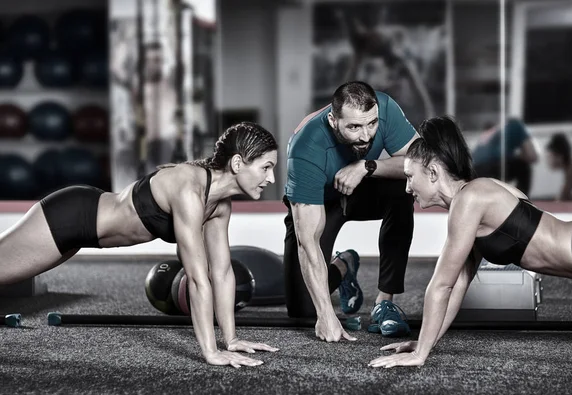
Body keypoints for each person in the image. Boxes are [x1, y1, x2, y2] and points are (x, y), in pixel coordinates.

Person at [0, 122, 279, 368]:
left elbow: (222, 272)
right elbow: (197, 278)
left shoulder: (219, 207)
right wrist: (211, 351)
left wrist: (230, 340)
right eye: (266, 167)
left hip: (82, 235)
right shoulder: (188, 188)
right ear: (238, 163)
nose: (271, 178)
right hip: (69, 217)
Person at [369, 115, 572, 368]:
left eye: (410, 177)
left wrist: (418, 355)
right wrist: (426, 343)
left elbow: (440, 286)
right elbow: (457, 286)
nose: (407, 188)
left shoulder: (470, 200)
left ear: (433, 172)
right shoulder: (471, 202)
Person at [284, 81, 418, 343]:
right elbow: (307, 242)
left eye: (371, 124)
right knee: (303, 310)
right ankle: (344, 265)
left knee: (404, 190)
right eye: (354, 127)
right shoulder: (305, 149)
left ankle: (385, 300)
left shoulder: (385, 108)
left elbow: (419, 162)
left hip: (361, 187)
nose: (366, 136)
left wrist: (366, 166)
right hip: (320, 201)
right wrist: (325, 314)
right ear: (333, 121)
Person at [472, 118, 540, 195]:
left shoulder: (488, 133)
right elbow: (532, 156)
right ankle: (522, 202)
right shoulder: (515, 125)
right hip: (494, 167)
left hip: (474, 172)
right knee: (524, 166)